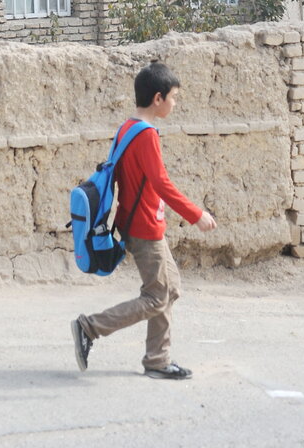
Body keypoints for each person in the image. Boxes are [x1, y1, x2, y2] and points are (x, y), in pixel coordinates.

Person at [71, 60, 217, 380]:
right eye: (174, 97)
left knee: (170, 289)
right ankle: (90, 327)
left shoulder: (128, 127)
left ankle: (157, 359)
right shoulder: (146, 134)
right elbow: (160, 183)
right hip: (145, 227)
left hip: (136, 221)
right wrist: (196, 215)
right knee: (156, 297)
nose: (175, 103)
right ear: (158, 99)